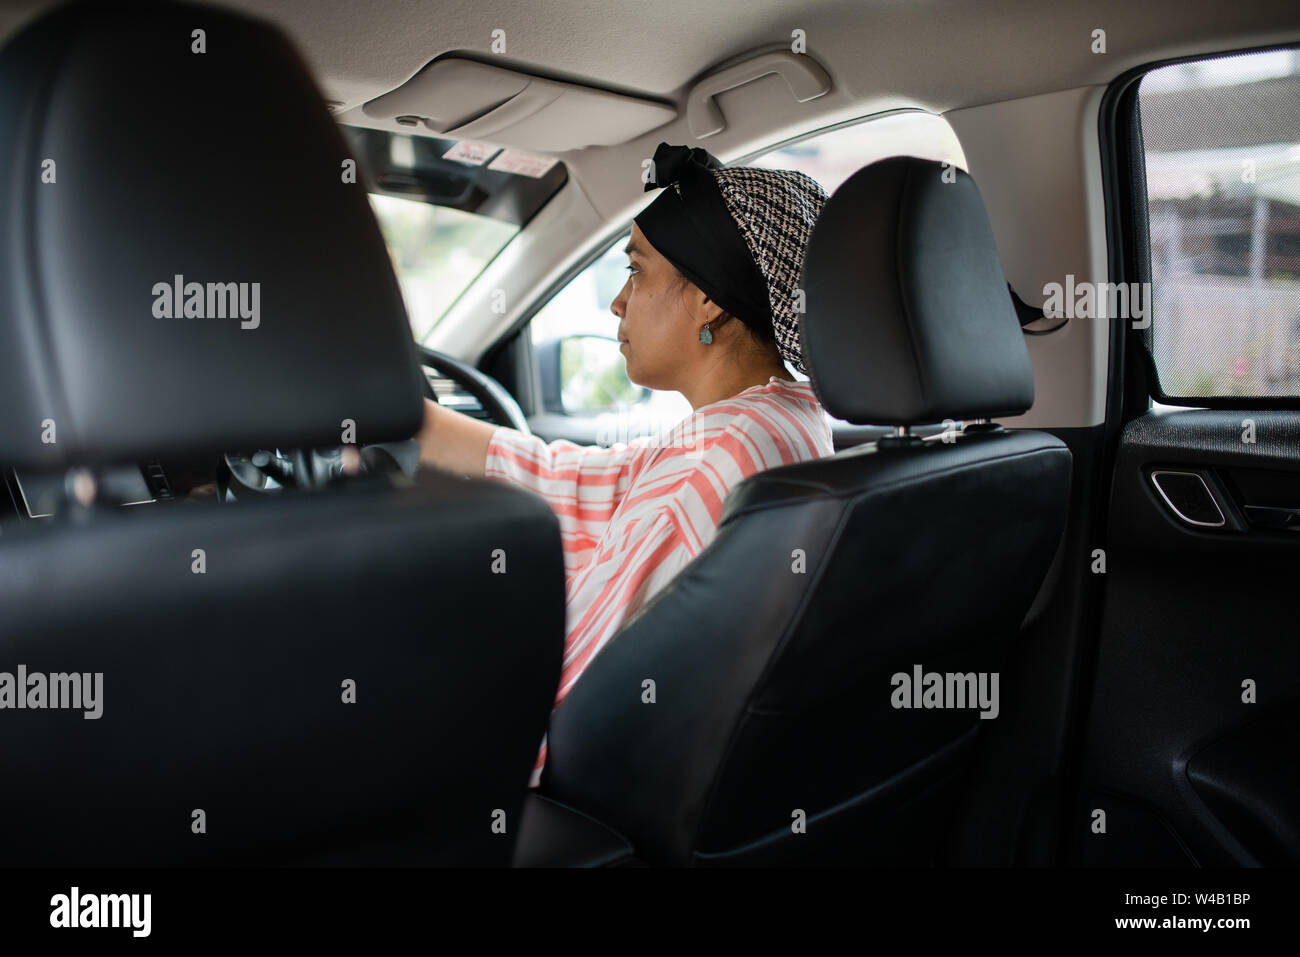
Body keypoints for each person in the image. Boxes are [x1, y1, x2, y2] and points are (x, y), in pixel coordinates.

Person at [416, 142, 835, 786]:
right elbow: (586, 481)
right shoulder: (782, 418)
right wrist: (413, 420)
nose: (617, 302)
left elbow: (567, 687)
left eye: (636, 272)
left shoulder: (711, 463)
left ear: (707, 302)